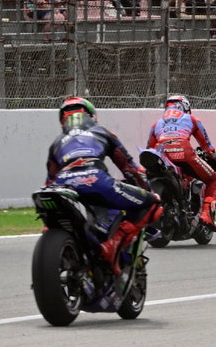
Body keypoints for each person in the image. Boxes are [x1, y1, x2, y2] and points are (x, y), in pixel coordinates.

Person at [45, 97, 159, 269]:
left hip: (64, 186)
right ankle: (113, 244)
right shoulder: (103, 132)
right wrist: (146, 189)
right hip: (98, 182)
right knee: (153, 203)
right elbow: (129, 168)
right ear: (92, 116)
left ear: (63, 120)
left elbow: (50, 181)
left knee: (50, 220)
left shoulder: (57, 143)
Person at [144, 93, 216, 230]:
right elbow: (207, 147)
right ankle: (206, 214)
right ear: (185, 107)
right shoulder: (191, 119)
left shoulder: (156, 124)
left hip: (161, 155)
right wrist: (214, 157)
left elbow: (149, 148)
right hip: (183, 152)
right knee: (214, 179)